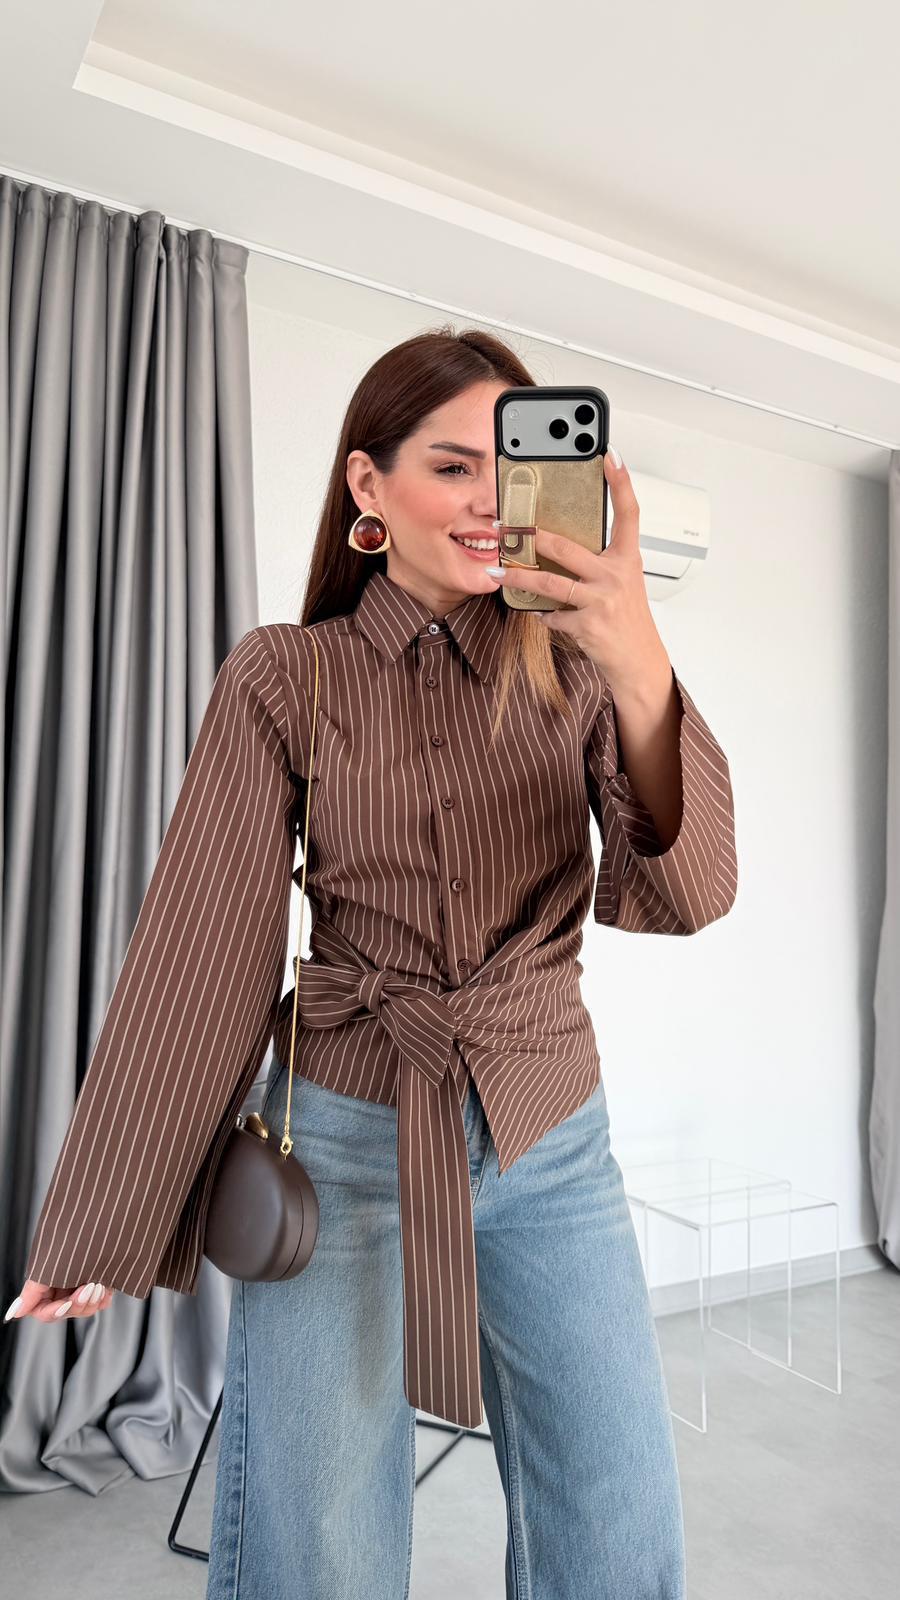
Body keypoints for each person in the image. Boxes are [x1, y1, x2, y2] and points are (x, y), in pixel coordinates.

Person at [7, 326, 737, 1598]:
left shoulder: (578, 669)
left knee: (616, 1524)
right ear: (368, 485)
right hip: (343, 1139)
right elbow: (204, 948)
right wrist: (105, 1217)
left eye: (510, 469)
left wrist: (638, 656)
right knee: (320, 1548)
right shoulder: (284, 676)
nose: (489, 501)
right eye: (453, 466)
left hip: (549, 1132)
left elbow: (687, 893)